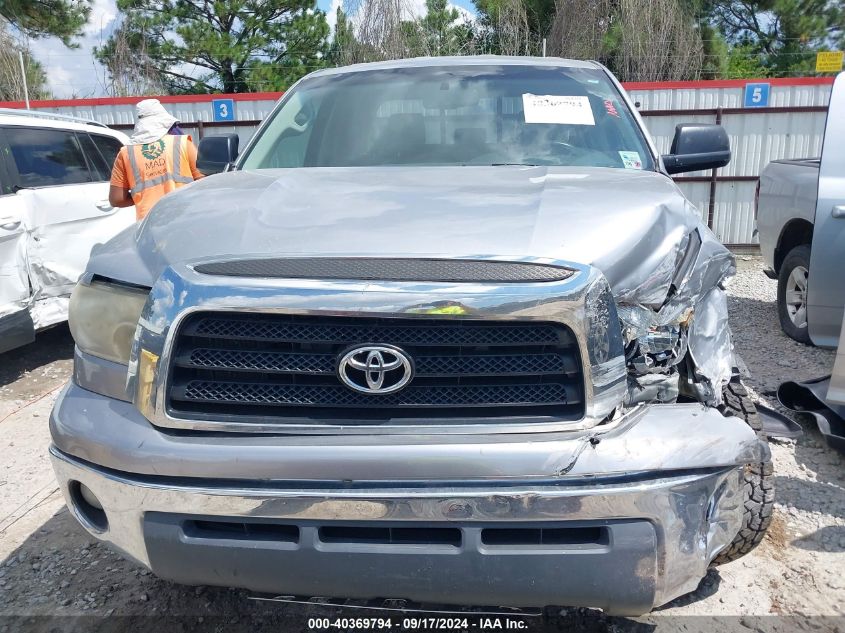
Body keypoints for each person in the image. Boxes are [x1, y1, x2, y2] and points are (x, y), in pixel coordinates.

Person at [109, 99, 204, 221]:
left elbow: (116, 199)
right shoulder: (182, 143)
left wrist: (142, 195)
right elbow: (203, 183)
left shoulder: (126, 153)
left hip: (148, 223)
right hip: (184, 218)